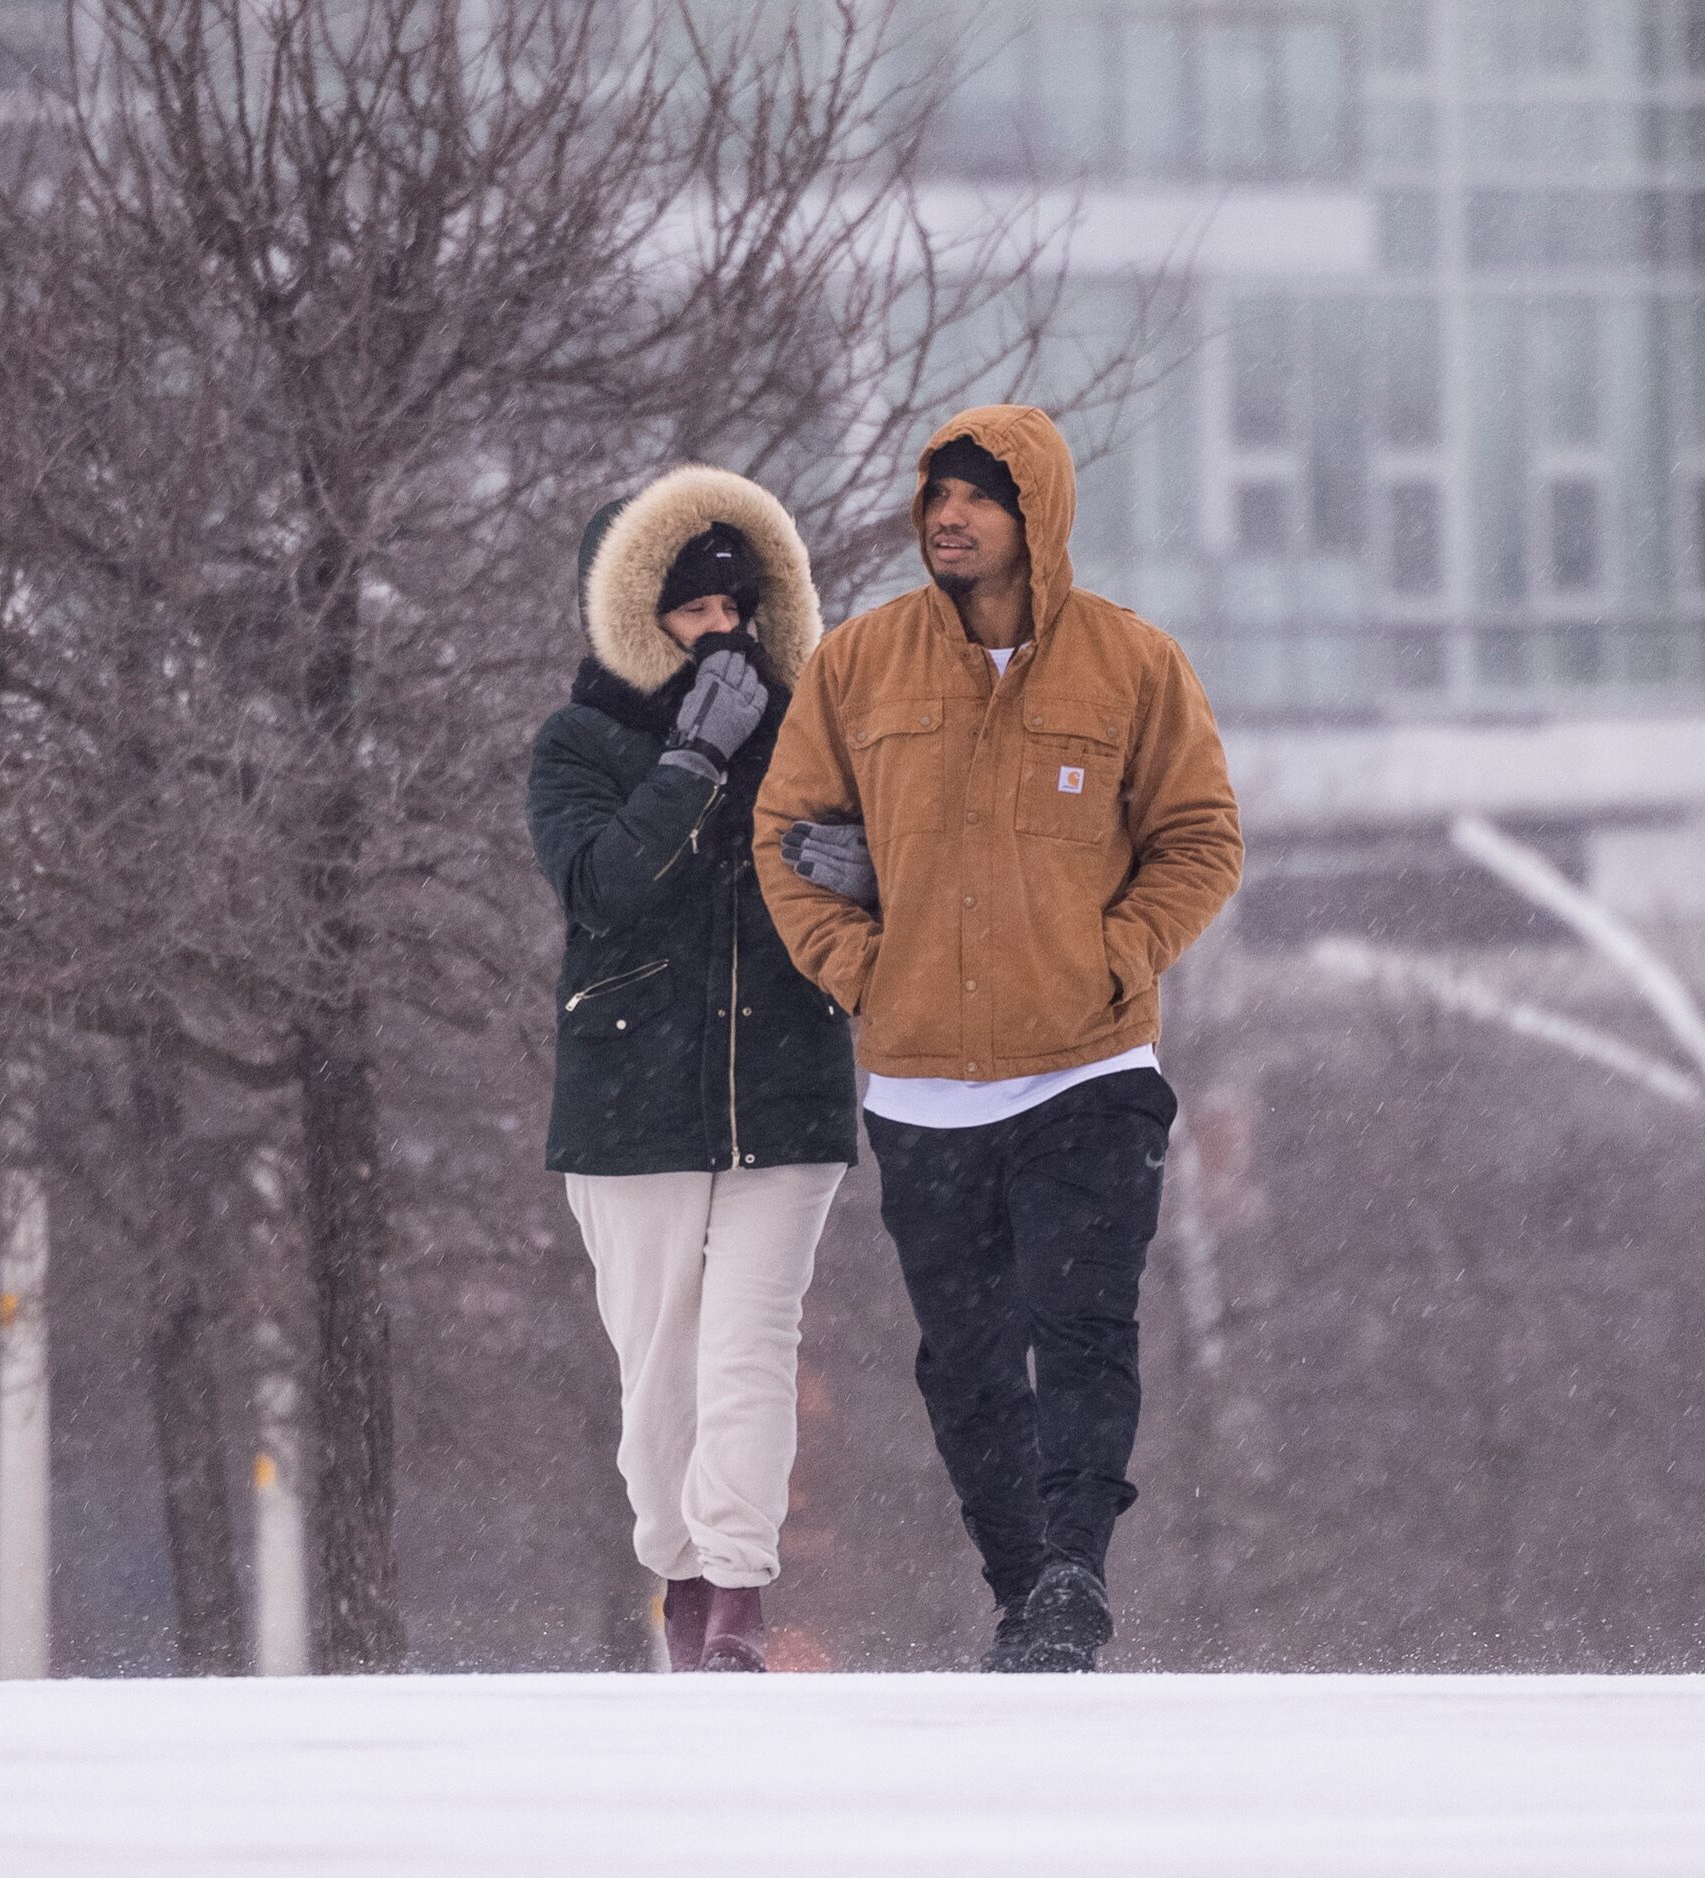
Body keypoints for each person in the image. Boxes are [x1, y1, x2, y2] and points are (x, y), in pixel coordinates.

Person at [755, 406, 1242, 1672]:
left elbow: (1201, 839)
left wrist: (1112, 957)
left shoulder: (1133, 665)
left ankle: (1077, 1570)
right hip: (924, 1091)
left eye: (978, 498)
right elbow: (785, 837)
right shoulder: (860, 665)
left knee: (1082, 1327)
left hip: (1090, 1068)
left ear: (1041, 517)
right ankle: (1025, 1590)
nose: (949, 517)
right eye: (937, 498)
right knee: (965, 1365)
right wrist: (870, 972)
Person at [527, 466, 856, 1673]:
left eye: (735, 612)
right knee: (659, 1363)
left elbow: (875, 875)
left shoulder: (810, 733)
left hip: (788, 1084)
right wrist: (690, 767)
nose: (723, 635)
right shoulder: (575, 745)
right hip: (629, 1100)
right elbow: (600, 889)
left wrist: (865, 873)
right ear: (631, 616)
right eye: (691, 612)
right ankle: (675, 1569)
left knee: (750, 1349)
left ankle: (736, 1601)